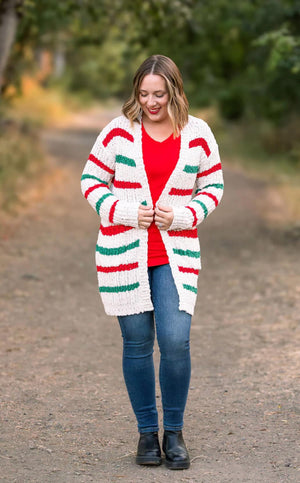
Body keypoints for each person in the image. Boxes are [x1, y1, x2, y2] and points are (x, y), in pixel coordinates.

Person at [81, 54, 224, 470]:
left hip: (175, 255)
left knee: (176, 341)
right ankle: (147, 434)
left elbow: (212, 185)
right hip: (124, 254)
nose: (150, 102)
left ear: (174, 91)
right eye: (143, 94)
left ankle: (174, 432)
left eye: (158, 94)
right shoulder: (118, 132)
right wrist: (124, 211)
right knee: (138, 344)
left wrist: (183, 216)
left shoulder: (197, 134)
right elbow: (91, 181)